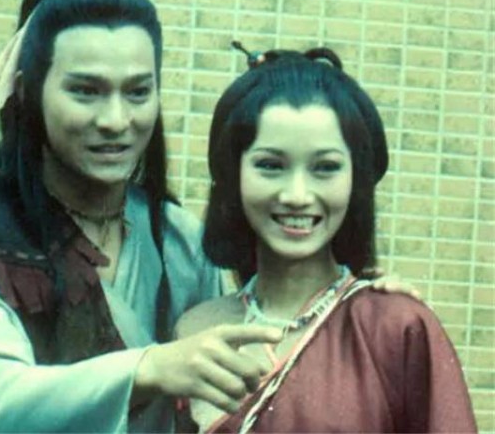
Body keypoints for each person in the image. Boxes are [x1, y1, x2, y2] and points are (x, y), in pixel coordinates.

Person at [0, 0, 283, 433]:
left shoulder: (180, 240)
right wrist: (148, 368)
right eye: (86, 91)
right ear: (27, 92)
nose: (115, 120)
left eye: (138, 92)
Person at [175, 45, 477, 432]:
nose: (297, 195)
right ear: (233, 174)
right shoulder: (195, 330)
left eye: (325, 167)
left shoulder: (394, 328)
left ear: (356, 180)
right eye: (270, 165)